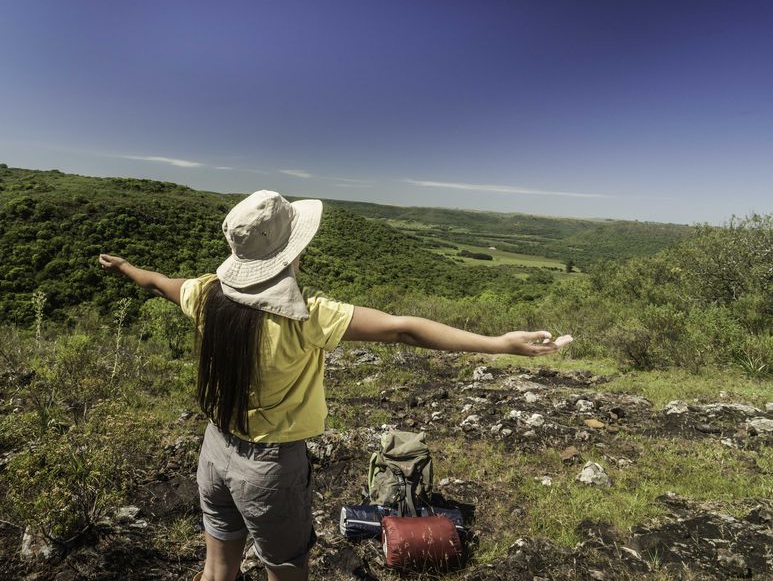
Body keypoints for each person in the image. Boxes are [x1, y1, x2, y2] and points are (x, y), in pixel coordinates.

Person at [99, 190, 571, 581]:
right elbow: (403, 328)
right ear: (291, 252)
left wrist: (123, 269)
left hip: (214, 450)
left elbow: (159, 282)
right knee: (285, 569)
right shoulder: (307, 317)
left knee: (218, 567)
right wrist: (499, 344)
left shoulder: (205, 295)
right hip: (269, 467)